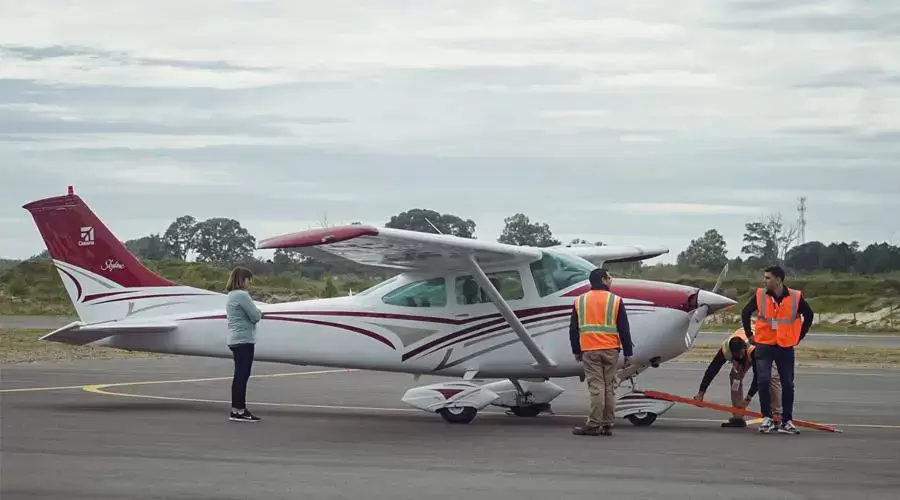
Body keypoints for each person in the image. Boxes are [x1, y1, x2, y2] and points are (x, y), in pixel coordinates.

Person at [741, 265, 814, 434]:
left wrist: (799, 336)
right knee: (764, 380)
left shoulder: (795, 297)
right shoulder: (760, 294)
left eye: (768, 278)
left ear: (779, 280)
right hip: (764, 344)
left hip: (785, 345)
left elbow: (809, 315)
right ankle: (767, 417)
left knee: (787, 383)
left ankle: (787, 421)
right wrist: (749, 334)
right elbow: (745, 312)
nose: (764, 281)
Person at [570, 268, 633, 436]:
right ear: (604, 279)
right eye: (609, 277)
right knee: (609, 387)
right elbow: (624, 329)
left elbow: (573, 329)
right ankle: (607, 424)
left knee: (596, 387)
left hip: (590, 350)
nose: (611, 280)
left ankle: (593, 424)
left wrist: (576, 350)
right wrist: (628, 353)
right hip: (611, 350)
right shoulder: (616, 300)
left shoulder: (580, 301)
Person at [693, 327, 781, 428]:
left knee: (771, 376)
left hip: (763, 347)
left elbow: (759, 376)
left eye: (741, 354)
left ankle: (776, 415)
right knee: (735, 376)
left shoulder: (753, 349)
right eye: (736, 355)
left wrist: (748, 399)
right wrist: (701, 392)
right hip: (746, 350)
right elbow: (712, 369)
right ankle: (738, 414)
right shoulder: (725, 349)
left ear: (744, 348)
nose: (739, 357)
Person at [226, 266, 263, 422]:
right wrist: (260, 312)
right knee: (243, 375)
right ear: (242, 280)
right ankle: (240, 410)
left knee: (238, 375)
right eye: (248, 279)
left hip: (234, 339)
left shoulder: (231, 295)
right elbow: (255, 316)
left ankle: (236, 409)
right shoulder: (242, 295)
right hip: (244, 340)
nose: (250, 283)